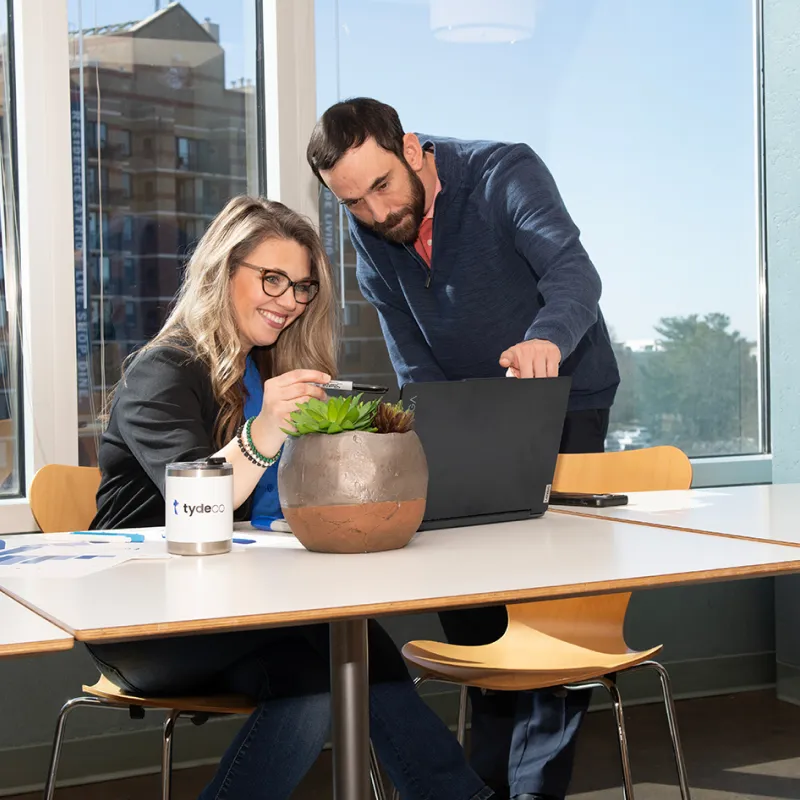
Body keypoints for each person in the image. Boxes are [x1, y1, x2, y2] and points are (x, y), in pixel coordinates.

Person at [89, 195, 494, 800]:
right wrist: (265, 432)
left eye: (301, 288)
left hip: (234, 603)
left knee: (346, 653)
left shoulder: (262, 368)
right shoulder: (164, 371)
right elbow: (196, 509)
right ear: (221, 273)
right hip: (143, 615)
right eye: (271, 279)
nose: (288, 301)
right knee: (326, 669)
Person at [307, 98, 621, 800]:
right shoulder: (372, 224)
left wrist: (546, 340)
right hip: (471, 414)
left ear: (412, 147)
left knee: (553, 608)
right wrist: (429, 428)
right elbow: (411, 356)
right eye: (352, 202)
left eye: (382, 186)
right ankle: (482, 785)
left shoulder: (501, 171)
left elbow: (574, 274)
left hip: (563, 397)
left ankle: (534, 791)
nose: (375, 211)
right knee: (473, 599)